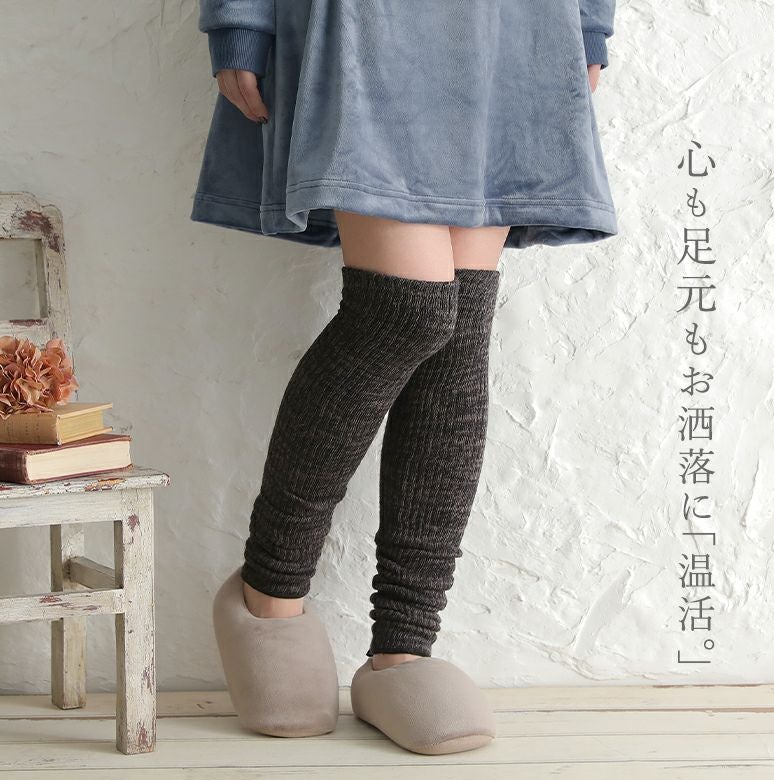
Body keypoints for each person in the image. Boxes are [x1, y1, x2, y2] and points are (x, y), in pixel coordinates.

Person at [191, 0, 618, 756]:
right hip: (367, 22)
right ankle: (269, 592)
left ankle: (404, 650)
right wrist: (240, 22)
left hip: (515, 22)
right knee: (407, 312)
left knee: (459, 333)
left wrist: (587, 23)